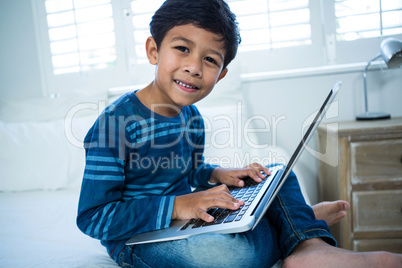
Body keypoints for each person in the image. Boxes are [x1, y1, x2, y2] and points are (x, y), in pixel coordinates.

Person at [76, 0, 402, 267]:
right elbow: (93, 218)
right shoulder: (114, 126)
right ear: (153, 51)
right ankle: (297, 225)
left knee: (273, 172)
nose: (194, 67)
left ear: (221, 75)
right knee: (231, 257)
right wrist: (177, 206)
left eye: (209, 59)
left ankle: (309, 245)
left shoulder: (191, 117)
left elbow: (188, 169)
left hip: (182, 223)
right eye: (182, 49)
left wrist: (219, 173)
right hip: (136, 239)